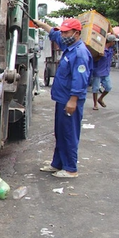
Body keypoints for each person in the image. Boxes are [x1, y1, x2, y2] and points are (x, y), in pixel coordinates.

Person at [33, 18, 92, 178]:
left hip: (70, 100)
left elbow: (80, 80)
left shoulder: (79, 53)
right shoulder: (70, 46)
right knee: (60, 132)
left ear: (77, 33)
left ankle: (71, 168)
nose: (63, 34)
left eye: (66, 32)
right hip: (62, 99)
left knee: (69, 133)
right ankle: (57, 164)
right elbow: (55, 34)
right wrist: (42, 24)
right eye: (63, 31)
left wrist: (73, 100)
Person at [91, 34, 118, 110]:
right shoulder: (100, 49)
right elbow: (93, 59)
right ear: (111, 42)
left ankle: (100, 99)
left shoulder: (110, 49)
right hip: (98, 71)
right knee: (95, 88)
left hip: (106, 72)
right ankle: (95, 104)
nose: (114, 43)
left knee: (108, 87)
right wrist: (99, 56)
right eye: (114, 42)